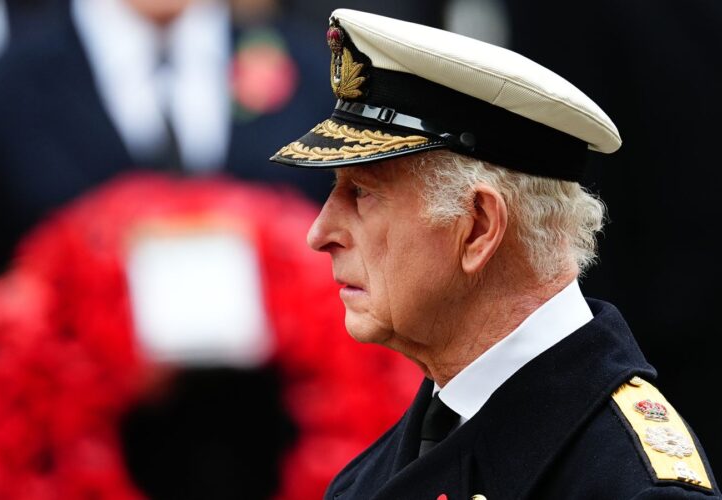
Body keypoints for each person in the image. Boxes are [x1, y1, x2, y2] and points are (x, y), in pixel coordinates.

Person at [269, 9, 720, 499]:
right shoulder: (368, 477)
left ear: (479, 227)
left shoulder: (632, 486)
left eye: (362, 193)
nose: (320, 233)